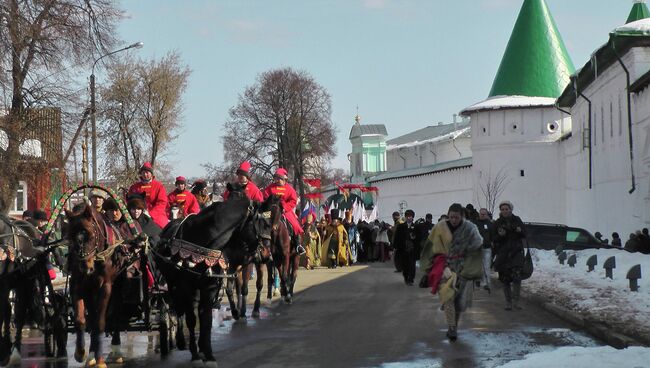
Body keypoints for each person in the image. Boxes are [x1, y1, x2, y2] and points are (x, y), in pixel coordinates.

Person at [419, 203, 483, 341]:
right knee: (448, 297)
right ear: (448, 215)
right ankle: (452, 327)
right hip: (445, 266)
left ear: (462, 216)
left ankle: (454, 325)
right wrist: (427, 269)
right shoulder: (440, 227)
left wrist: (474, 268)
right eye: (451, 217)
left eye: (457, 217)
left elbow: (477, 246)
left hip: (463, 267)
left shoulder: (470, 228)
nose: (454, 220)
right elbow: (430, 247)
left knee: (459, 301)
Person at [492, 200, 526, 311]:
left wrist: (520, 231)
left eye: (507, 209)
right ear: (500, 211)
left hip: (516, 252)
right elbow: (493, 238)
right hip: (503, 254)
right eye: (502, 209)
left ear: (511, 209)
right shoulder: (497, 223)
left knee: (517, 277)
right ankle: (508, 302)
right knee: (505, 279)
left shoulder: (517, 220)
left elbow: (525, 234)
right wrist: (500, 236)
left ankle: (516, 301)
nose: (505, 211)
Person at [263, 167, 305, 255]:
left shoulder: (290, 189)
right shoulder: (270, 188)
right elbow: (265, 197)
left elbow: (293, 200)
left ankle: (298, 245)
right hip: (272, 211)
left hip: (285, 211)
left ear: (284, 179)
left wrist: (284, 207)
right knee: (260, 219)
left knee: (295, 224)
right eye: (276, 178)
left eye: (279, 179)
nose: (277, 180)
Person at [128, 162, 168, 229]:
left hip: (156, 216)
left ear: (151, 174)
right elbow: (130, 201)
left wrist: (151, 214)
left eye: (147, 172)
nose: (145, 175)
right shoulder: (134, 187)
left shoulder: (159, 186)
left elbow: (162, 203)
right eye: (143, 173)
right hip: (137, 214)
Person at [394, 209, 418, 286]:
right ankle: (406, 277)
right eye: (407, 216)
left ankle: (411, 279)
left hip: (412, 249)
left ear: (413, 217)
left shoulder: (416, 227)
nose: (408, 218)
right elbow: (397, 237)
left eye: (410, 216)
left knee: (412, 264)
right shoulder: (401, 226)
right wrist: (395, 246)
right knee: (405, 264)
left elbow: (419, 238)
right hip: (403, 248)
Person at [473, 208, 493, 293]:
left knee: (487, 265)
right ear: (479, 214)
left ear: (487, 214)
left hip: (487, 247)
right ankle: (477, 280)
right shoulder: (475, 223)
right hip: (477, 248)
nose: (483, 215)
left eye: (484, 214)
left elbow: (493, 234)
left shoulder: (490, 224)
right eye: (481, 214)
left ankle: (486, 283)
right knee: (477, 265)